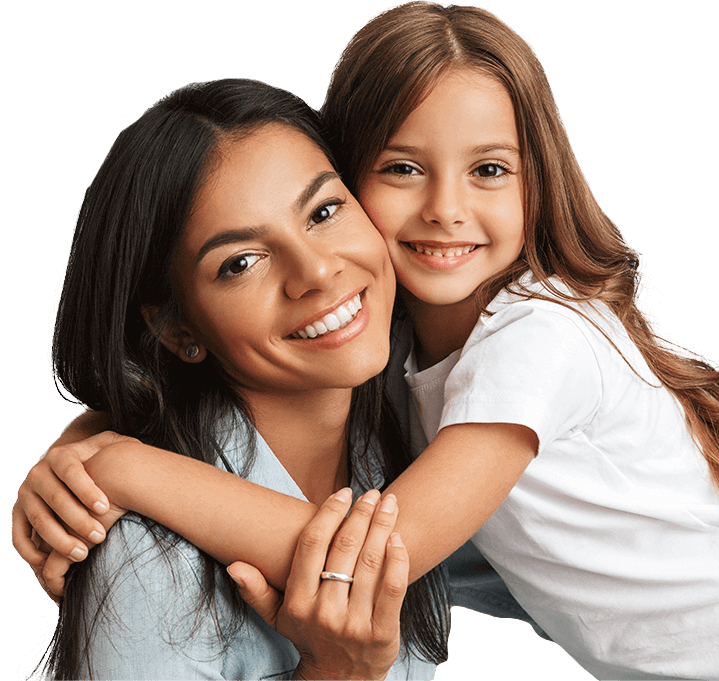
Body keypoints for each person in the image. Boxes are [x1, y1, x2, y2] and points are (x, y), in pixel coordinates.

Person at [14, 3, 719, 679]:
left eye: (489, 169)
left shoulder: (524, 346)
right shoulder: (400, 362)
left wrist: (120, 467)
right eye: (403, 169)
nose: (445, 209)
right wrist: (92, 439)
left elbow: (382, 556)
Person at [15, 76, 450, 680]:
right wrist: (336, 674)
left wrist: (109, 457)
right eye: (240, 263)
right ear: (176, 329)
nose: (318, 272)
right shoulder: (147, 561)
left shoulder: (414, 429)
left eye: (324, 211)